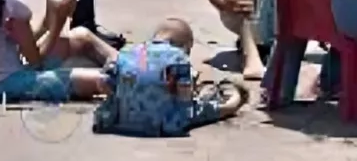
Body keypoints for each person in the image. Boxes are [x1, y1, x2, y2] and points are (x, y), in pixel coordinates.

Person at [93, 17, 250, 136]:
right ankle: (234, 99)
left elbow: (104, 83)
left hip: (125, 120)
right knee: (205, 110)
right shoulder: (178, 57)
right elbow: (185, 98)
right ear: (184, 45)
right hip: (165, 123)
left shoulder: (127, 52)